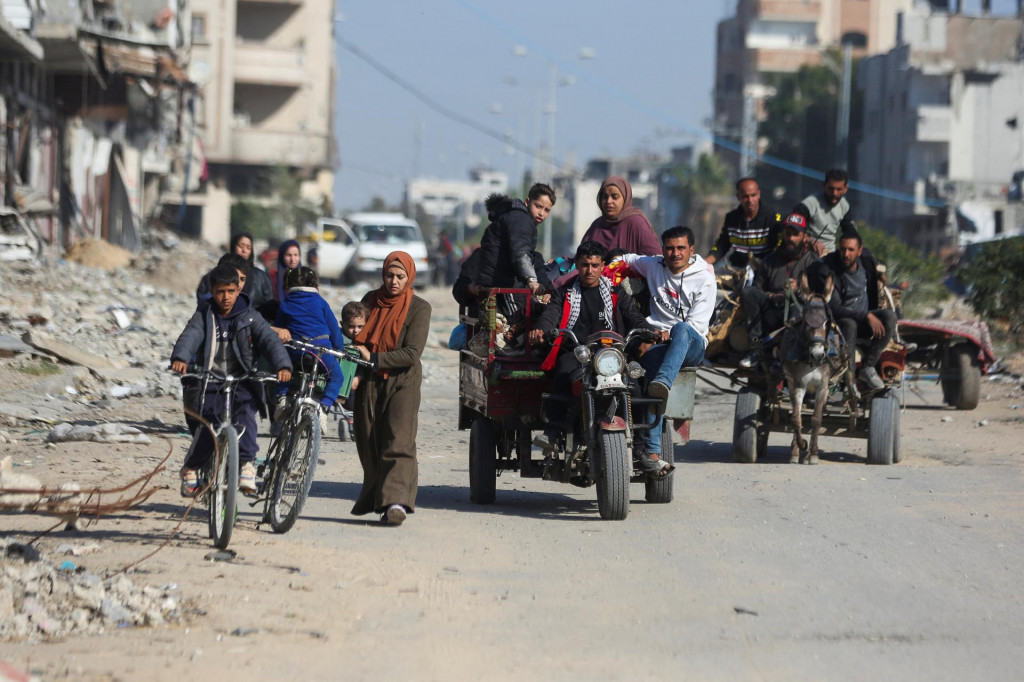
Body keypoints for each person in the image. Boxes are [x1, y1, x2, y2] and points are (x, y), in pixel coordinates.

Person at [171, 264, 292, 496]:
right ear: (212, 291)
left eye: (230, 291)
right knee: (207, 424)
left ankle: (247, 465)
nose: (225, 297)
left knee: (246, 416)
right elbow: (191, 335)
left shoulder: (249, 315)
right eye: (219, 292)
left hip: (242, 378)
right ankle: (191, 467)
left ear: (238, 290)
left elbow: (269, 339)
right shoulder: (205, 314)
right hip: (212, 379)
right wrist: (181, 358)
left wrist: (283, 365)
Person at [617, 227, 717, 474]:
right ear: (663, 250)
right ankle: (651, 452)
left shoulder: (705, 276)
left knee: (681, 329)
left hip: (690, 344)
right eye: (670, 248)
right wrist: (610, 269)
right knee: (644, 379)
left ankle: (663, 380)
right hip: (658, 346)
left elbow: (697, 325)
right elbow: (625, 260)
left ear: (691, 250)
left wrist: (667, 333)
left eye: (681, 248)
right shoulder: (653, 266)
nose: (675, 254)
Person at [528, 241, 651, 435]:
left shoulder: (616, 293)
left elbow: (634, 316)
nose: (589, 270)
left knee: (635, 388)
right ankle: (552, 434)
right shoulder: (564, 293)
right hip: (578, 353)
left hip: (611, 355)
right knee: (562, 376)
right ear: (577, 264)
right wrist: (541, 329)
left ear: (603, 266)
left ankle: (640, 445)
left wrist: (648, 331)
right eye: (585, 265)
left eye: (595, 265)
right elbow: (550, 315)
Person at [348, 252, 432, 526]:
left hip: (403, 380)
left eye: (400, 276)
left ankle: (397, 503)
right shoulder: (370, 301)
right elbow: (357, 339)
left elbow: (411, 353)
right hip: (370, 380)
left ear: (410, 277)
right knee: (370, 439)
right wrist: (356, 372)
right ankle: (381, 498)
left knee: (399, 439)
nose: (394, 281)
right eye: (389, 275)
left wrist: (373, 359)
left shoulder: (420, 308)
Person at [808, 230, 896, 391]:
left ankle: (868, 367)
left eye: (851, 250)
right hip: (837, 325)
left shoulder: (867, 261)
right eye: (842, 249)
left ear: (859, 251)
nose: (846, 254)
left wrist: (880, 275)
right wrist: (866, 315)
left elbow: (877, 265)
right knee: (850, 324)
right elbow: (834, 308)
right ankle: (849, 381)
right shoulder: (828, 270)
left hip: (865, 321)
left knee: (889, 317)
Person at [738, 212, 820, 368]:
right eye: (788, 233)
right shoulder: (770, 260)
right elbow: (757, 288)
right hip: (772, 310)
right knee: (748, 293)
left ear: (804, 236)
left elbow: (818, 297)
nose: (791, 238)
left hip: (798, 314)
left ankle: (787, 355)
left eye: (795, 234)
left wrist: (799, 291)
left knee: (799, 310)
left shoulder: (812, 262)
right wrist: (772, 295)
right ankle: (755, 349)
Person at [274, 266, 347, 433]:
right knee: (336, 376)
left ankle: (282, 398)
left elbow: (279, 327)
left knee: (283, 369)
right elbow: (335, 331)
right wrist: (339, 349)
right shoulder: (321, 302)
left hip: (294, 350)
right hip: (320, 351)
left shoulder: (286, 303)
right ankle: (324, 409)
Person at [474, 183, 556, 318]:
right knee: (520, 320)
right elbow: (521, 253)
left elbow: (532, 257)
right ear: (528, 201)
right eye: (538, 206)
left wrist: (549, 289)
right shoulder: (521, 220)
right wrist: (532, 281)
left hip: (496, 282)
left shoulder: (515, 217)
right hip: (503, 284)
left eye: (547, 210)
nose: (541, 213)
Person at [706, 177, 782, 268]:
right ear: (738, 197)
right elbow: (722, 246)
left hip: (765, 268)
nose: (750, 200)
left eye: (753, 195)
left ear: (759, 194)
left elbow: (779, 249)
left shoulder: (772, 218)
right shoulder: (731, 218)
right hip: (737, 268)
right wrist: (704, 264)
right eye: (745, 196)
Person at [581, 176, 661, 257]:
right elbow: (581, 260)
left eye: (615, 197)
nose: (609, 201)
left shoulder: (636, 223)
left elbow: (656, 260)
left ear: (625, 198)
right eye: (605, 197)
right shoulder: (597, 225)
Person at [793, 168, 855, 256]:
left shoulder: (844, 206)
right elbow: (793, 227)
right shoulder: (811, 203)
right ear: (824, 186)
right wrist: (809, 240)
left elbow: (850, 232)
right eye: (831, 189)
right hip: (807, 253)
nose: (834, 193)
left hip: (830, 254)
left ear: (846, 189)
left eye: (839, 189)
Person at [229, 232, 274, 311]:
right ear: (233, 247)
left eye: (248, 247)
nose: (244, 250)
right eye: (241, 246)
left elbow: (269, 304)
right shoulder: (220, 275)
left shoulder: (261, 277)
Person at [340, 301, 369, 395]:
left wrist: (359, 377)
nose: (356, 331)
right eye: (351, 326)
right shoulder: (338, 338)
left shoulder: (365, 342)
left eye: (360, 327)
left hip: (352, 381)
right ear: (342, 324)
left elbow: (364, 365)